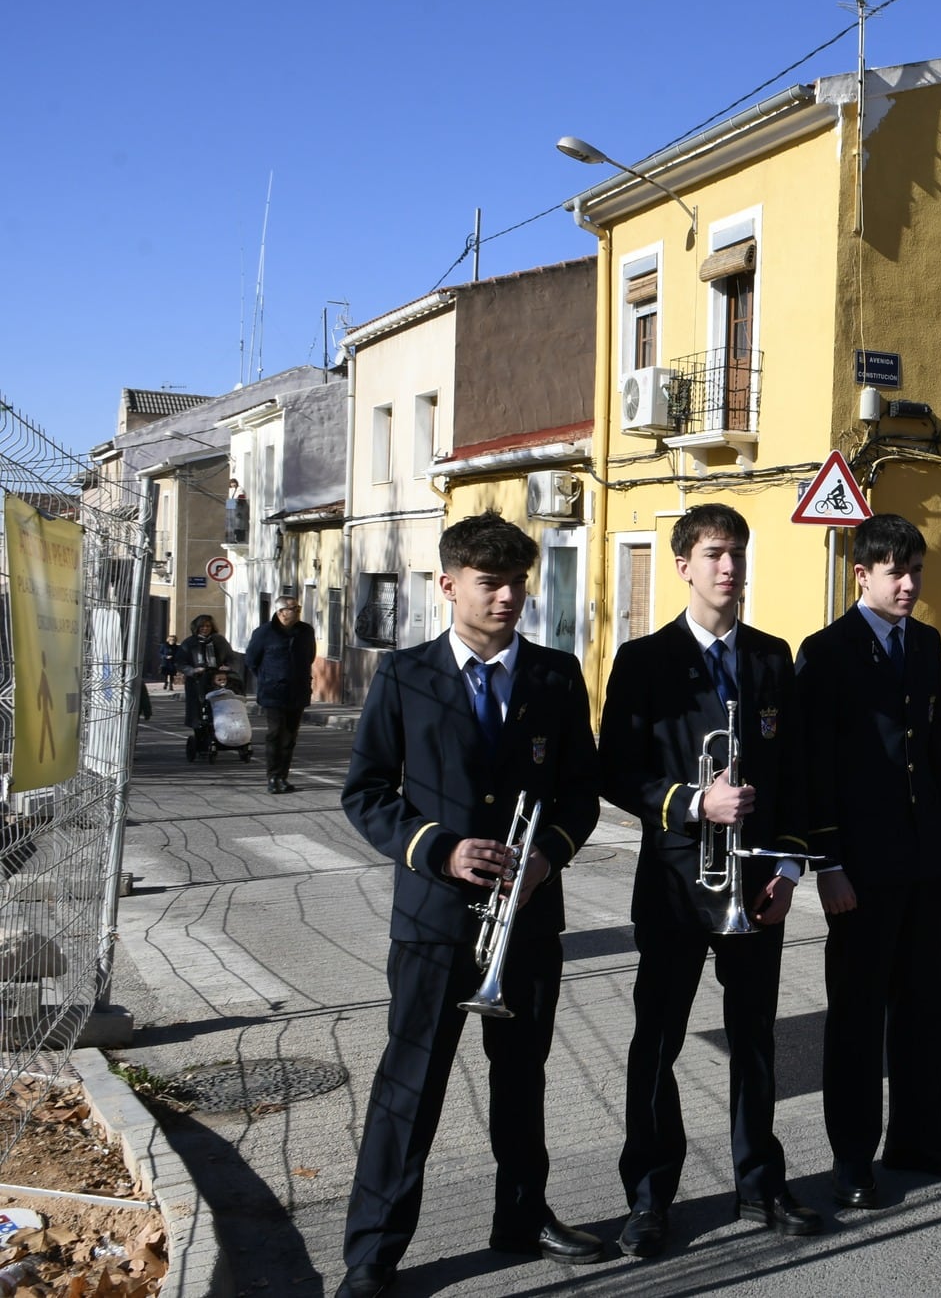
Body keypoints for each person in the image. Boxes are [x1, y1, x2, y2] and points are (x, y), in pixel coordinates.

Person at [335, 514, 602, 1298]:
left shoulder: (557, 674)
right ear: (449, 585)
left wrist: (549, 852)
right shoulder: (404, 674)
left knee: (524, 1078)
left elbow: (580, 794)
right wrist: (439, 848)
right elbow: (366, 792)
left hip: (526, 916)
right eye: (491, 583)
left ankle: (522, 1215)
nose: (509, 596)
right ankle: (373, 1252)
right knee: (409, 1085)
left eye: (519, 581)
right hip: (433, 919)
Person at [601, 505, 821, 1259]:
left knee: (756, 1041)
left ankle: (760, 1182)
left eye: (737, 553)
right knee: (655, 1042)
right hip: (672, 886)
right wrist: (695, 802)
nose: (730, 567)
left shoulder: (771, 657)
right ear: (683, 565)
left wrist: (789, 868)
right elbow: (616, 771)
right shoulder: (642, 660)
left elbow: (796, 773)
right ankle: (648, 1196)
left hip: (755, 883)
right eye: (715, 554)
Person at [795, 514, 941, 1210]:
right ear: (861, 573)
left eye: (916, 570)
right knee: (859, 1015)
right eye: (896, 571)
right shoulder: (826, 650)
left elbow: (931, 744)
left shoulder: (925, 643)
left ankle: (917, 1137)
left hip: (923, 852)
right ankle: (852, 1157)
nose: (909, 583)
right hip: (861, 864)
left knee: (923, 1005)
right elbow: (816, 767)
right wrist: (827, 861)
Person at [244, 597, 317, 794]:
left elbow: (310, 656)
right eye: (293, 608)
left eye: (298, 607)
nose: (297, 611)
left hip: (298, 690)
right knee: (275, 734)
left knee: (290, 736)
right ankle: (272, 776)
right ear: (281, 612)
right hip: (273, 692)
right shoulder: (264, 633)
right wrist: (268, 678)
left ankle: (283, 777)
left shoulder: (306, 631)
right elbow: (251, 660)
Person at [178, 614, 234, 744]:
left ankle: (221, 735)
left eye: (208, 626)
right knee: (198, 711)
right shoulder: (189, 643)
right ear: (196, 628)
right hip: (197, 682)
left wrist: (227, 667)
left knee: (219, 708)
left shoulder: (219, 640)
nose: (205, 628)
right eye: (202, 626)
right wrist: (193, 670)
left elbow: (231, 658)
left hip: (218, 681)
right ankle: (200, 738)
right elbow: (180, 663)